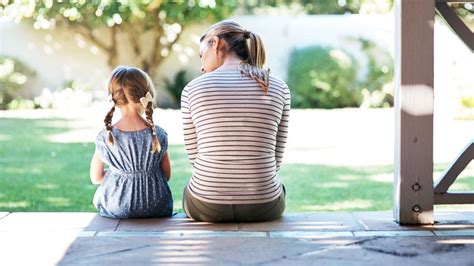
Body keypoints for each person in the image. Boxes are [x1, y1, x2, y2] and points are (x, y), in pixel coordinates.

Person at [181, 20, 290, 222]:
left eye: (201, 54)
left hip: (207, 206)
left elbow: (195, 158)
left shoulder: (192, 89)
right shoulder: (278, 87)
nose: (202, 66)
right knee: (279, 187)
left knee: (189, 190)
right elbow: (276, 158)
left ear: (215, 43)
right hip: (264, 206)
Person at [90, 66, 173, 218]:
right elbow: (166, 175)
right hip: (157, 205)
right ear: (146, 95)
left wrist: (119, 175)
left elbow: (96, 178)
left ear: (113, 98)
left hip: (118, 206)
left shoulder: (106, 137)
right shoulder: (158, 134)